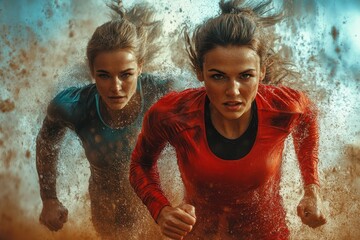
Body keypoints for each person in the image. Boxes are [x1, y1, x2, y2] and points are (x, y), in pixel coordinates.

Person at [130, 0, 327, 239]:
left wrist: (312, 189)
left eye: (245, 76)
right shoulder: (172, 114)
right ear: (200, 73)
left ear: (262, 72)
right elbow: (140, 164)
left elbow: (308, 117)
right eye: (218, 76)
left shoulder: (282, 107)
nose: (233, 90)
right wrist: (161, 210)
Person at [35, 1, 173, 239]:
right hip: (108, 214)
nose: (115, 87)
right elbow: (47, 141)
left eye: (126, 74)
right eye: (104, 76)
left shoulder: (162, 93)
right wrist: (49, 199)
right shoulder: (73, 106)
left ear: (140, 67)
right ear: (91, 70)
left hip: (162, 211)